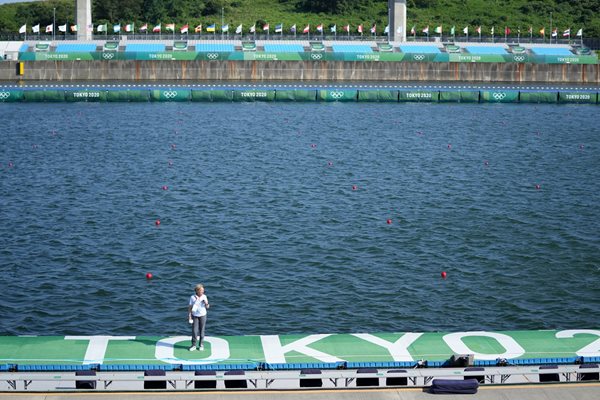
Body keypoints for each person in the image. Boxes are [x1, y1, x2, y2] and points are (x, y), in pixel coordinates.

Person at [188, 283, 209, 351]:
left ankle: (201, 345)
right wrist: (189, 316)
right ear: (197, 290)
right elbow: (190, 307)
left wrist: (206, 303)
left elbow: (207, 307)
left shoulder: (204, 296)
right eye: (201, 290)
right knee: (194, 331)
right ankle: (193, 345)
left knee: (202, 330)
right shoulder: (192, 297)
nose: (202, 291)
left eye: (203, 290)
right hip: (195, 316)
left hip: (203, 315)